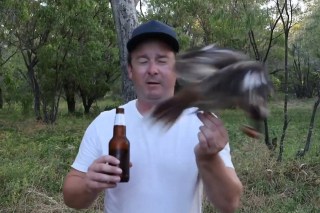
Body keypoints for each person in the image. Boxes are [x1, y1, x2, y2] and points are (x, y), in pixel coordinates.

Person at [63, 20, 243, 213]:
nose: (152, 70)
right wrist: (88, 184)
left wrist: (209, 159)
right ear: (130, 70)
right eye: (142, 61)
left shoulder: (202, 125)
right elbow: (71, 198)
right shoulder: (107, 122)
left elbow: (229, 204)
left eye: (162, 60)